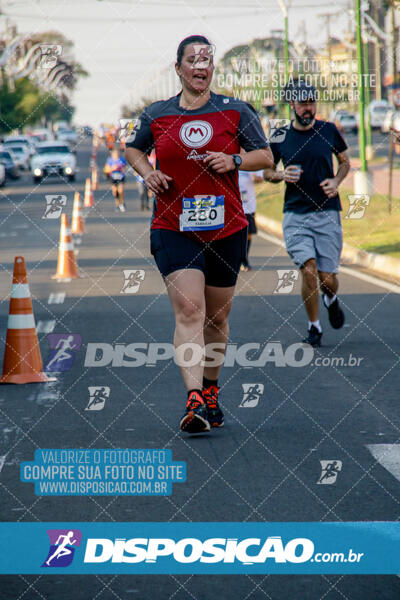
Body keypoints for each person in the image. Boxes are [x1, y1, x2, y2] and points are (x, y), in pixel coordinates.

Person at [125, 35, 273, 433]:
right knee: (191, 310)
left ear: (212, 68)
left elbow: (266, 156)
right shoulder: (157, 114)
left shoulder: (236, 111)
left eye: (206, 59)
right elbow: (133, 150)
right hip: (174, 227)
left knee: (218, 320)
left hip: (226, 229)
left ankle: (210, 390)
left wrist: (235, 159)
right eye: (192, 59)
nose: (200, 66)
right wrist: (148, 171)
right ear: (179, 68)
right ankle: (193, 402)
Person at [263, 81, 350, 347]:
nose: (308, 108)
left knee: (327, 279)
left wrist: (336, 181)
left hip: (327, 214)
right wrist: (281, 174)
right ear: (292, 105)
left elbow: (345, 162)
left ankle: (331, 299)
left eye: (312, 103)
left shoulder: (328, 130)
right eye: (303, 104)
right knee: (309, 271)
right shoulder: (280, 136)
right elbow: (266, 172)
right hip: (296, 215)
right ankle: (315, 327)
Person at [238, 168, 263, 271]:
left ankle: (244, 259)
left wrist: (255, 177)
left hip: (248, 206)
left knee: (248, 233)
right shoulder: (229, 156)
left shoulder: (252, 159)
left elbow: (260, 178)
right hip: (232, 204)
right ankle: (234, 260)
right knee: (233, 234)